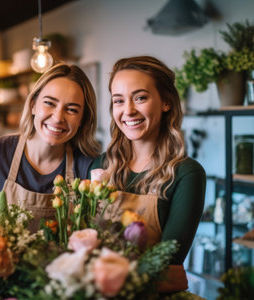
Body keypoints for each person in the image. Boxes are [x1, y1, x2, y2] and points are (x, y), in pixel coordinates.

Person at [90, 56, 206, 294]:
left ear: (166, 102)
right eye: (118, 101)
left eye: (140, 98)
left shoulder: (186, 174)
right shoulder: (101, 165)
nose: (128, 110)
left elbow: (168, 263)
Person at [0, 63, 101, 231]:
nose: (58, 117)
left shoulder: (89, 166)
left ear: (82, 119)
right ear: (33, 105)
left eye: (72, 110)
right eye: (49, 103)